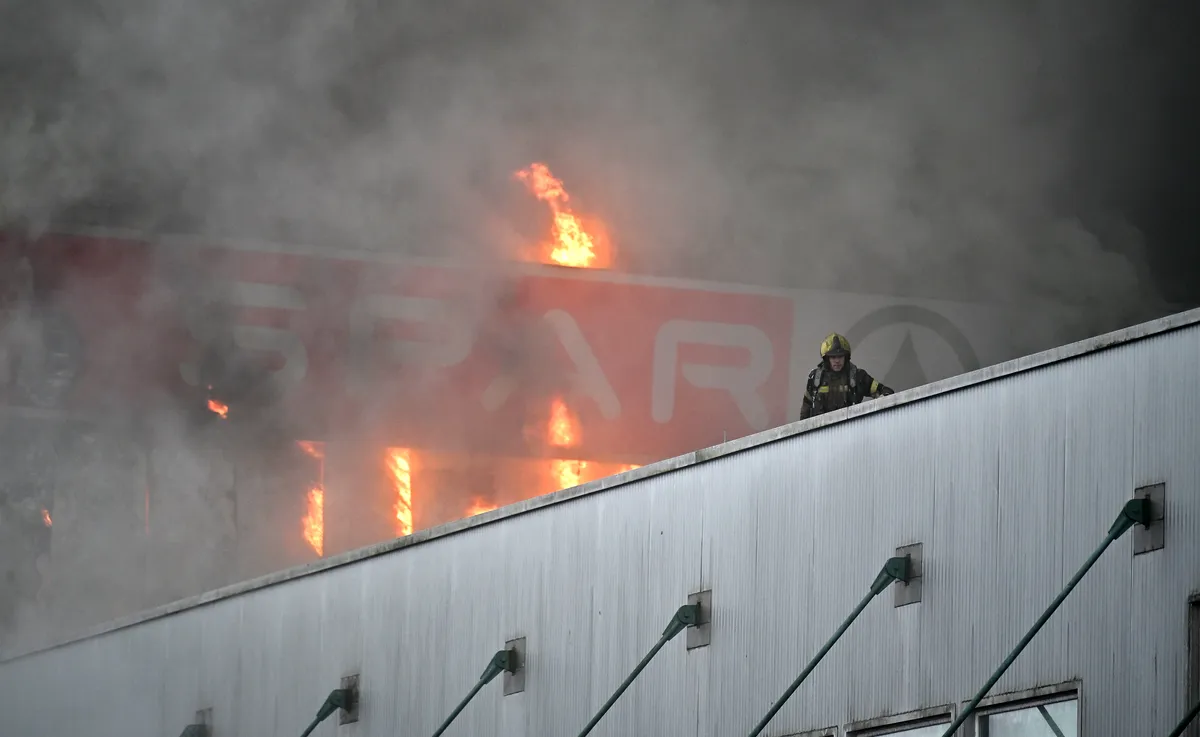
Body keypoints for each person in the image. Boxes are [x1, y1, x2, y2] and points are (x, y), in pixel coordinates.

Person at [799, 333, 894, 419]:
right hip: (820, 435)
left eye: (840, 356)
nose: (837, 361)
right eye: (833, 357)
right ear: (826, 359)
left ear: (846, 357)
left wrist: (882, 400)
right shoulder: (815, 378)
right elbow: (805, 410)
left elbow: (885, 391)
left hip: (850, 432)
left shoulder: (858, 377)